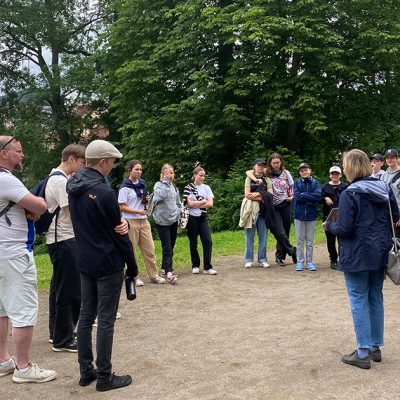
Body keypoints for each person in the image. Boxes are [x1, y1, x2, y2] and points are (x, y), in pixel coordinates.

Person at [67, 140, 138, 391]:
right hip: (107, 261)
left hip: (85, 258)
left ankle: (87, 372)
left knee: (86, 316)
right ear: (103, 161)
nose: (112, 167)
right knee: (106, 320)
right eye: (112, 162)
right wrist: (133, 265)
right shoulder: (105, 192)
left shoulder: (73, 185)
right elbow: (118, 233)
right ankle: (105, 377)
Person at [323, 149, 399, 369]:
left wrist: (330, 225)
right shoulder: (384, 188)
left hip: (357, 253)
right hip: (381, 250)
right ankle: (375, 347)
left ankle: (363, 352)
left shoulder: (350, 193)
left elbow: (345, 228)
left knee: (358, 298)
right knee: (375, 296)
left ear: (350, 167)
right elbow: (396, 216)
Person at [0, 135, 57, 383]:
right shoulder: (5, 180)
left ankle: (3, 361)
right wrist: (34, 207)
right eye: (18, 151)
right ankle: (24, 367)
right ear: (4, 153)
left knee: (1, 309)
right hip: (14, 254)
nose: (22, 155)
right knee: (23, 310)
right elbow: (40, 205)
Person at [45, 144, 86, 352]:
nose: (83, 166)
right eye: (82, 162)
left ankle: (58, 333)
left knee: (59, 288)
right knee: (70, 290)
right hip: (65, 239)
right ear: (71, 159)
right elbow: (73, 210)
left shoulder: (55, 178)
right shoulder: (60, 181)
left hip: (59, 240)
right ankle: (64, 338)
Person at [118, 160, 165, 285]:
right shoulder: (125, 187)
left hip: (143, 221)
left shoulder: (142, 184)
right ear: (130, 171)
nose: (139, 172)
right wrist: (137, 212)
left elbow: (142, 201)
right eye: (136, 169)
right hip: (130, 220)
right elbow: (121, 206)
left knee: (149, 249)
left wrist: (147, 200)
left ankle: (153, 275)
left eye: (140, 170)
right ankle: (134, 277)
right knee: (131, 250)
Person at [246, 153, 295, 266]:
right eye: (273, 163)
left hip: (286, 204)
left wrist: (291, 196)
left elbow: (291, 187)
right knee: (279, 231)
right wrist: (256, 180)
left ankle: (281, 257)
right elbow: (249, 172)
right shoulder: (266, 172)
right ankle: (287, 252)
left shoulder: (286, 173)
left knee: (286, 230)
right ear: (270, 164)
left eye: (278, 162)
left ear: (281, 162)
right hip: (273, 206)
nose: (276, 164)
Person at [183, 166, 217, 274]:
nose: (202, 177)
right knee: (193, 242)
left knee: (207, 241)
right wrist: (203, 201)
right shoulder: (188, 188)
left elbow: (210, 204)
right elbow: (189, 204)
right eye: (200, 175)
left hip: (202, 218)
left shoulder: (206, 188)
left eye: (203, 176)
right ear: (194, 175)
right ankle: (195, 265)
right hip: (191, 218)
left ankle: (207, 267)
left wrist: (197, 203)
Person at [241, 159, 273, 268]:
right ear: (254, 166)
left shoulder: (267, 179)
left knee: (263, 237)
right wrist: (263, 197)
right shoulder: (249, 179)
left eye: (262, 166)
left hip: (264, 211)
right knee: (249, 237)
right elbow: (247, 195)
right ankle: (248, 259)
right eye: (258, 165)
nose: (260, 167)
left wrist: (257, 195)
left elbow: (271, 195)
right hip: (250, 212)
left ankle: (262, 259)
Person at [152, 164, 181, 284]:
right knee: (167, 247)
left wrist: (178, 212)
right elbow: (161, 196)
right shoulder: (158, 185)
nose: (171, 175)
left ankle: (164, 269)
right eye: (168, 172)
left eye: (172, 172)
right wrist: (165, 182)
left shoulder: (174, 186)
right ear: (163, 174)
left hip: (173, 220)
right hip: (162, 221)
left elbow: (177, 202)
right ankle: (169, 271)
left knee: (171, 246)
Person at [293, 162, 321, 271]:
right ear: (300, 173)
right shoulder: (297, 183)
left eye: (306, 170)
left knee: (310, 241)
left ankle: (309, 261)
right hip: (299, 215)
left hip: (311, 215)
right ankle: (300, 261)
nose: (304, 172)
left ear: (310, 170)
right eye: (302, 171)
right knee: (299, 240)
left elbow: (318, 197)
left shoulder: (315, 183)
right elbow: (297, 197)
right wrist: (309, 198)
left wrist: (304, 195)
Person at [321, 166, 348, 269]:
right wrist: (325, 198)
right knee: (330, 240)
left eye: (337, 174)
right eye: (333, 174)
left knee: (342, 239)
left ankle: (343, 259)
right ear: (330, 175)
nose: (334, 176)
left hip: (343, 216)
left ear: (340, 175)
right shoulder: (325, 187)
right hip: (329, 217)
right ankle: (333, 260)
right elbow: (318, 198)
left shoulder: (345, 187)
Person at [382, 149, 400, 237]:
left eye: (392, 158)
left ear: (397, 159)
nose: (389, 160)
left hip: (398, 216)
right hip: (386, 215)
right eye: (387, 158)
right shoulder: (383, 175)